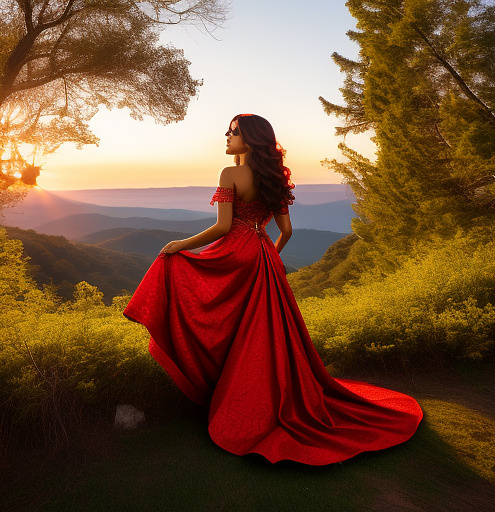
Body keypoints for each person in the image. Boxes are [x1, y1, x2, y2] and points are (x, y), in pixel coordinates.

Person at [123, 113, 423, 466]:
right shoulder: (275, 177)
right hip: (264, 258)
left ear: (248, 139)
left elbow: (222, 227)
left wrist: (182, 244)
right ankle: (275, 396)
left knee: (218, 318)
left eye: (233, 132)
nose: (227, 136)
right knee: (268, 335)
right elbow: (287, 232)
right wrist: (267, 258)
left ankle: (230, 397)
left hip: (234, 254)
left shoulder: (230, 174)